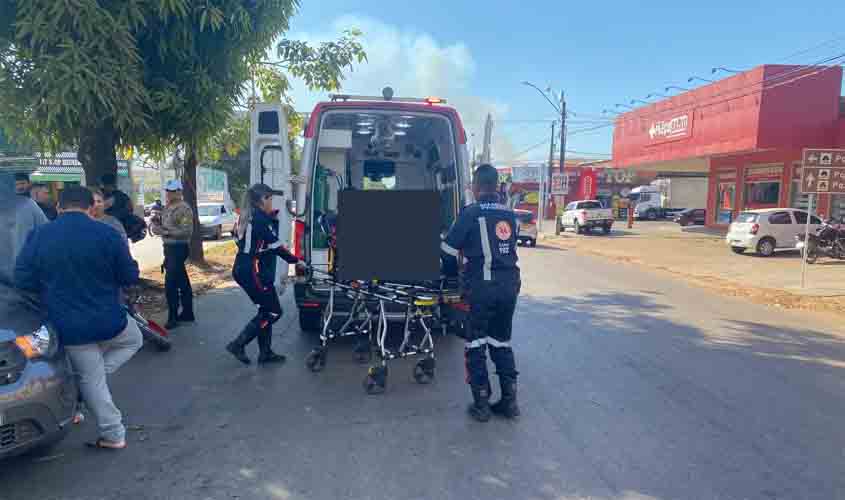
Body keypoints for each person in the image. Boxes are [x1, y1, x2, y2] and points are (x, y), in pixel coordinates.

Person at [14, 186, 142, 450]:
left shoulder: (39, 236)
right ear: (89, 207)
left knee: (90, 377)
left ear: (60, 206)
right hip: (111, 319)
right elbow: (129, 276)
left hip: (68, 325)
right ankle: (110, 427)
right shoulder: (107, 234)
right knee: (134, 340)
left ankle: (107, 423)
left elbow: (23, 280)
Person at [441, 164, 522, 422]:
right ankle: (509, 402)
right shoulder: (509, 215)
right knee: (501, 342)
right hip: (509, 288)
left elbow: (448, 251)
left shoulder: (471, 213)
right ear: (497, 186)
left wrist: (453, 278)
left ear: (476, 187)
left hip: (482, 289)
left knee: (476, 343)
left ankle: (481, 404)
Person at [226, 183, 306, 365]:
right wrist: (296, 261)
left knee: (265, 310)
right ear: (263, 200)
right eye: (270, 198)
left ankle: (265, 353)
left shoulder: (248, 215)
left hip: (245, 267)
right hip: (252, 270)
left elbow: (241, 239)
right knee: (273, 312)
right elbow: (276, 246)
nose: (272, 202)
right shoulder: (260, 219)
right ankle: (239, 344)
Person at [149, 179, 194, 329]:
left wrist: (165, 231)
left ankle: (173, 317)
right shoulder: (168, 207)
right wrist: (156, 223)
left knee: (171, 284)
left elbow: (186, 231)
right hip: (169, 249)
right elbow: (164, 225)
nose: (168, 193)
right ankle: (188, 313)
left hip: (178, 248)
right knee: (182, 281)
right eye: (168, 190)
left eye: (172, 191)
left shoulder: (183, 208)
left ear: (179, 192)